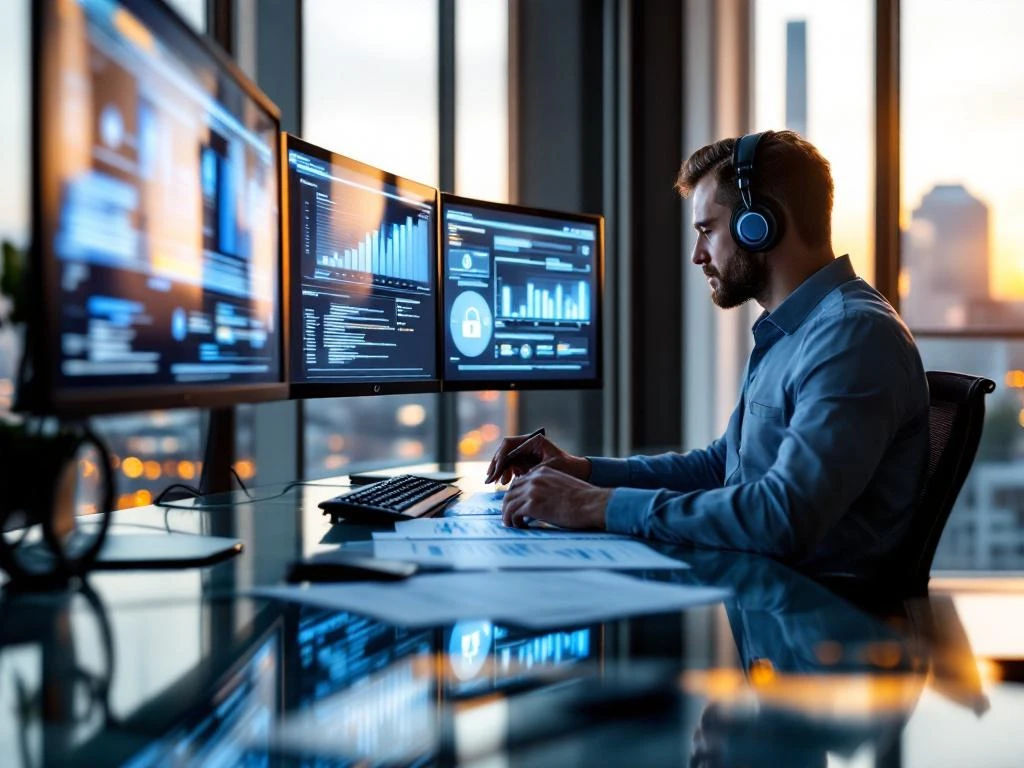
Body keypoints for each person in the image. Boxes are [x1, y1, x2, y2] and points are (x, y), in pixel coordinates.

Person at [486, 130, 930, 575]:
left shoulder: (851, 335)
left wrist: (598, 506)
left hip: (822, 621)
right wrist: (584, 472)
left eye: (707, 230)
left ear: (758, 225)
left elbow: (783, 515)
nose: (698, 255)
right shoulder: (792, 331)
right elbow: (723, 466)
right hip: (759, 589)